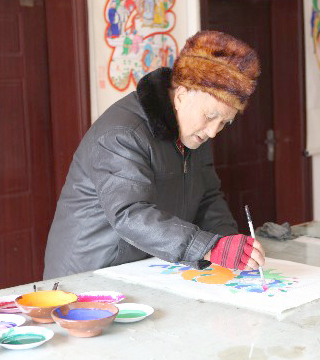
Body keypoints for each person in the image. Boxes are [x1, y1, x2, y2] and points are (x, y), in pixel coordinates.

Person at [43, 30, 265, 279]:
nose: (213, 131)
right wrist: (210, 248)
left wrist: (228, 242)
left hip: (141, 267)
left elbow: (207, 197)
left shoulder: (194, 132)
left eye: (225, 122)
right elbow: (130, 213)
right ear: (181, 95)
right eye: (210, 116)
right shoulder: (123, 134)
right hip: (89, 274)